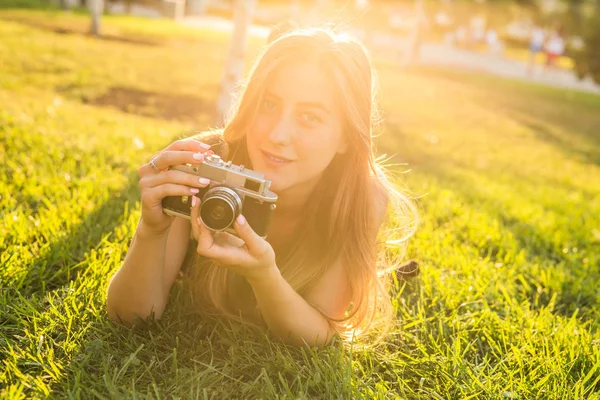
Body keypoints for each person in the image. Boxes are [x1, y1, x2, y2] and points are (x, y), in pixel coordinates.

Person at [106, 28, 418, 347]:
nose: (278, 135)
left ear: (346, 138)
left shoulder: (360, 198)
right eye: (268, 105)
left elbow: (319, 335)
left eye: (310, 117)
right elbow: (129, 317)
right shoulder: (202, 165)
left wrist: (264, 275)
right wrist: (151, 232)